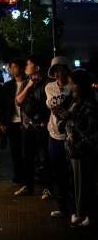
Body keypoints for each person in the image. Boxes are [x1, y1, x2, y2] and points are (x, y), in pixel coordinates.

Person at [65, 69, 98, 228]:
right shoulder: (75, 102)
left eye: (73, 83)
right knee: (78, 183)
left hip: (83, 151)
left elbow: (89, 130)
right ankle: (83, 213)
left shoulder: (89, 105)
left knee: (85, 184)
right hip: (75, 150)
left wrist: (71, 123)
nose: (70, 86)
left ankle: (89, 215)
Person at [14, 55, 51, 198]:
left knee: (43, 158)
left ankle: (47, 187)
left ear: (37, 67)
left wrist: (46, 121)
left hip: (41, 126)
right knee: (27, 157)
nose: (26, 67)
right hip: (27, 127)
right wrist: (28, 86)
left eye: (28, 64)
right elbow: (18, 101)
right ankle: (28, 186)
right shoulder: (26, 83)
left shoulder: (47, 83)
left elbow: (48, 105)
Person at [45, 56, 73, 219]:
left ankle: (74, 208)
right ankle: (63, 207)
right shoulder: (49, 87)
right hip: (54, 134)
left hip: (70, 136)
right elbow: (53, 107)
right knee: (59, 172)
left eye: (61, 70)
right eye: (55, 71)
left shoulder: (73, 87)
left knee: (72, 175)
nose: (58, 74)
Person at [2, 59, 27, 184]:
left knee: (26, 150)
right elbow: (4, 105)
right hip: (12, 121)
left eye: (15, 67)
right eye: (11, 67)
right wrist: (3, 122)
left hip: (26, 122)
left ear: (21, 68)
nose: (12, 69)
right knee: (15, 150)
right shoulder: (8, 85)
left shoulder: (28, 83)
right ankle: (18, 174)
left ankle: (27, 174)